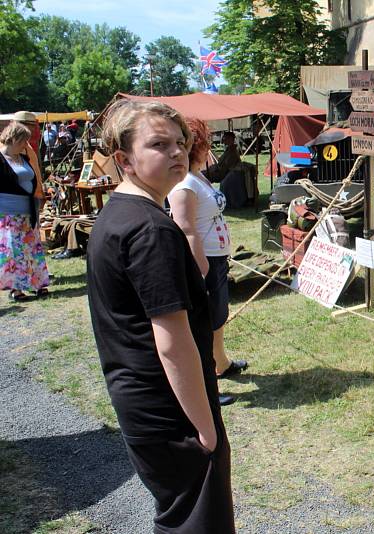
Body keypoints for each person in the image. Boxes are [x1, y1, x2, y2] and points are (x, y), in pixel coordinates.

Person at [85, 99, 235, 533]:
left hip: (142, 400)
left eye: (180, 143)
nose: (176, 152)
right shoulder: (149, 229)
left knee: (178, 515)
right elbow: (173, 342)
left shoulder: (119, 214)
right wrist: (205, 428)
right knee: (196, 522)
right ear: (124, 159)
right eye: (158, 144)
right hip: (170, 410)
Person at [168, 118, 248, 395]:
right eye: (207, 144)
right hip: (205, 261)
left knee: (217, 315)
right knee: (203, 322)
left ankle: (220, 363)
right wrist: (199, 266)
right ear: (196, 147)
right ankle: (205, 384)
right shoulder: (184, 184)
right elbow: (183, 227)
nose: (210, 149)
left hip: (215, 258)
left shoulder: (197, 175)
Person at [0, 121, 50, 301]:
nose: (25, 145)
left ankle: (38, 283)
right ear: (13, 138)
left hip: (28, 210)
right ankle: (16, 288)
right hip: (8, 213)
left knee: (32, 248)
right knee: (14, 252)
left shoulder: (24, 158)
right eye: (23, 142)